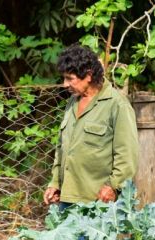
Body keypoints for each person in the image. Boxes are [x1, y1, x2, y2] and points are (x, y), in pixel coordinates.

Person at [43, 44, 139, 210]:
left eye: (70, 78)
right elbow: (62, 147)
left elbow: (127, 154)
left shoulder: (117, 105)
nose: (65, 85)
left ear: (88, 75)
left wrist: (113, 186)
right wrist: (55, 183)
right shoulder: (73, 102)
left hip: (97, 202)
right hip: (67, 198)